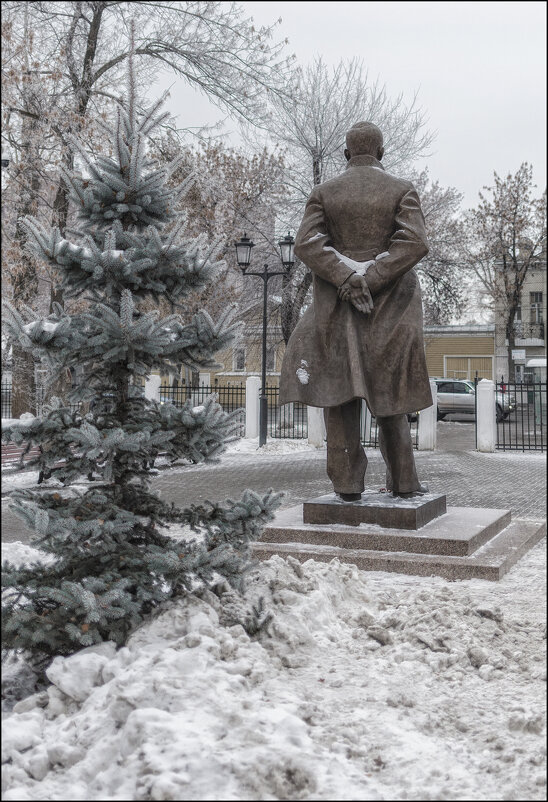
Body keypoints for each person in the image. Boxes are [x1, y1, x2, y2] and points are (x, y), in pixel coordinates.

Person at [279, 121, 432, 499]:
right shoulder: (402, 189)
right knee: (391, 396)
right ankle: (405, 482)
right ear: (381, 152)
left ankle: (346, 483)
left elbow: (307, 244)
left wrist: (347, 278)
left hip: (336, 307)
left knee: (339, 396)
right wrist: (374, 275)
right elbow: (414, 243)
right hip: (392, 308)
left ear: (346, 153)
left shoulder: (324, 193)